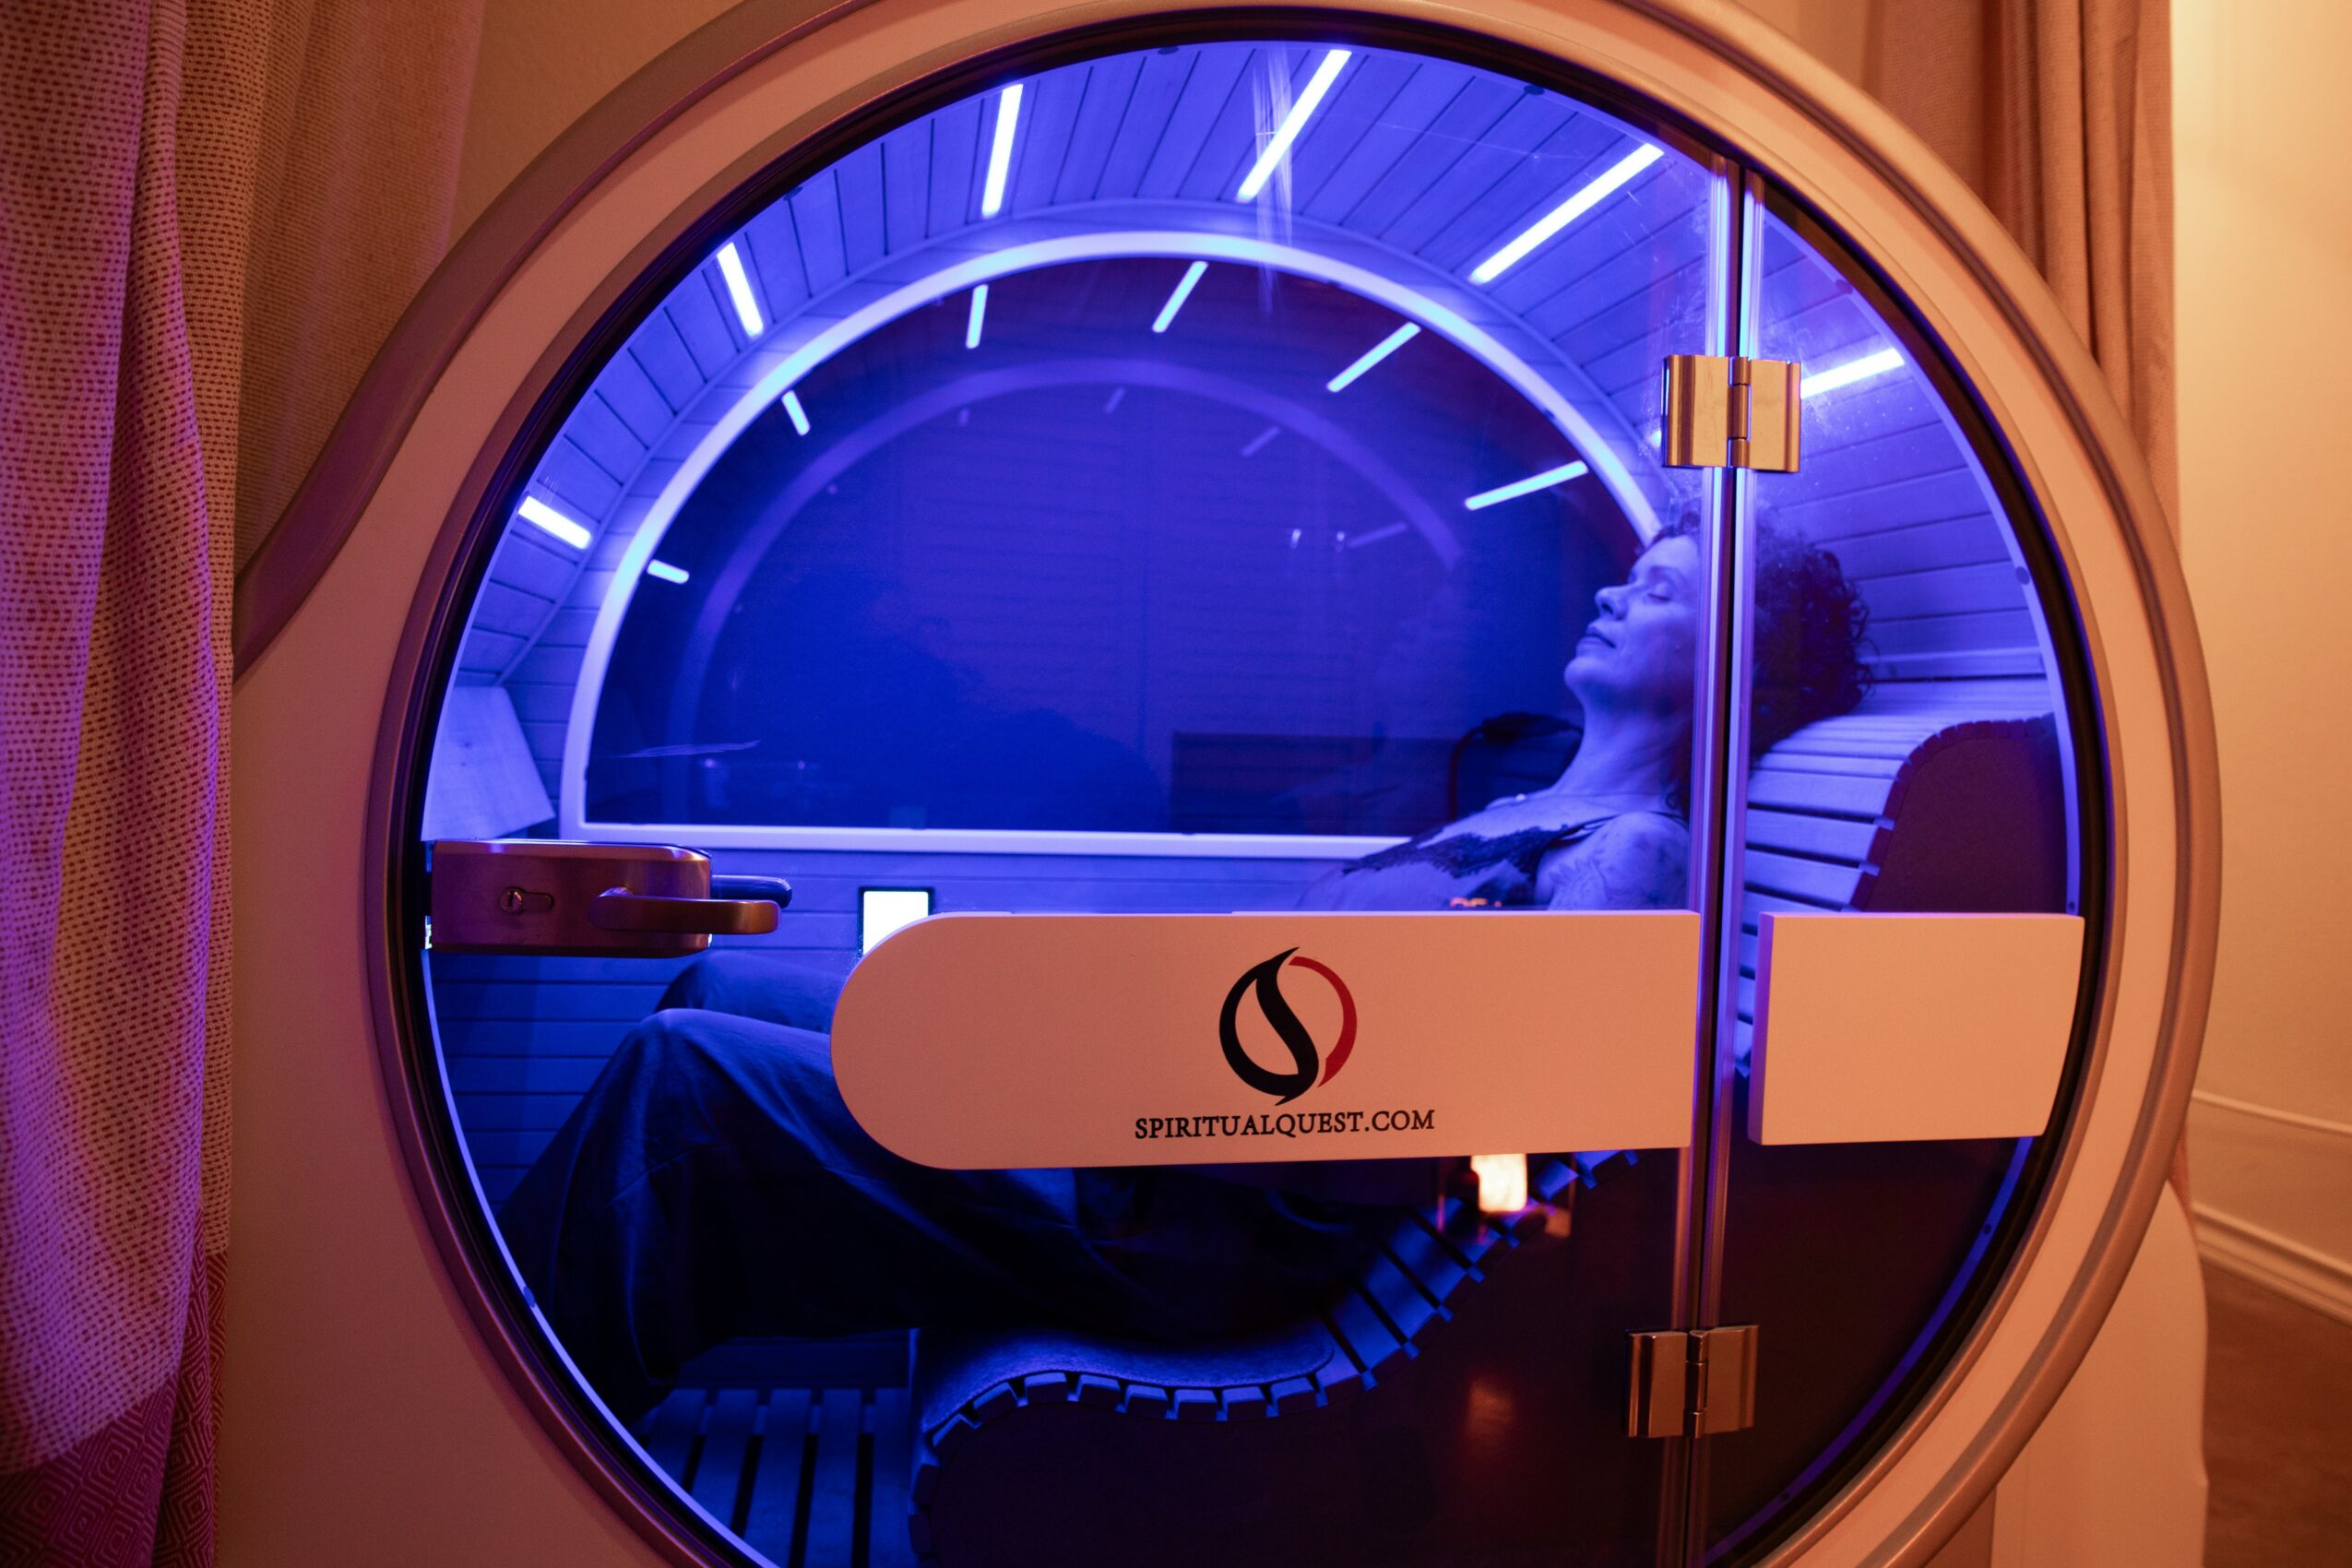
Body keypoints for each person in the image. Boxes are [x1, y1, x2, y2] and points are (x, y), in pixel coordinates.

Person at [497, 517, 1871, 1422]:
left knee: (689, 1082)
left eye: (1670, 590)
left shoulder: (1631, 851)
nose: (1616, 589)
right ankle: (546, 1375)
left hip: (1217, 1214)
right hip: (1171, 1125)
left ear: (1740, 664)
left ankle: (504, 1426)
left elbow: (1522, 1126)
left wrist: (1172, 1076)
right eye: (1631, 570)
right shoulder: (1507, 806)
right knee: (720, 997)